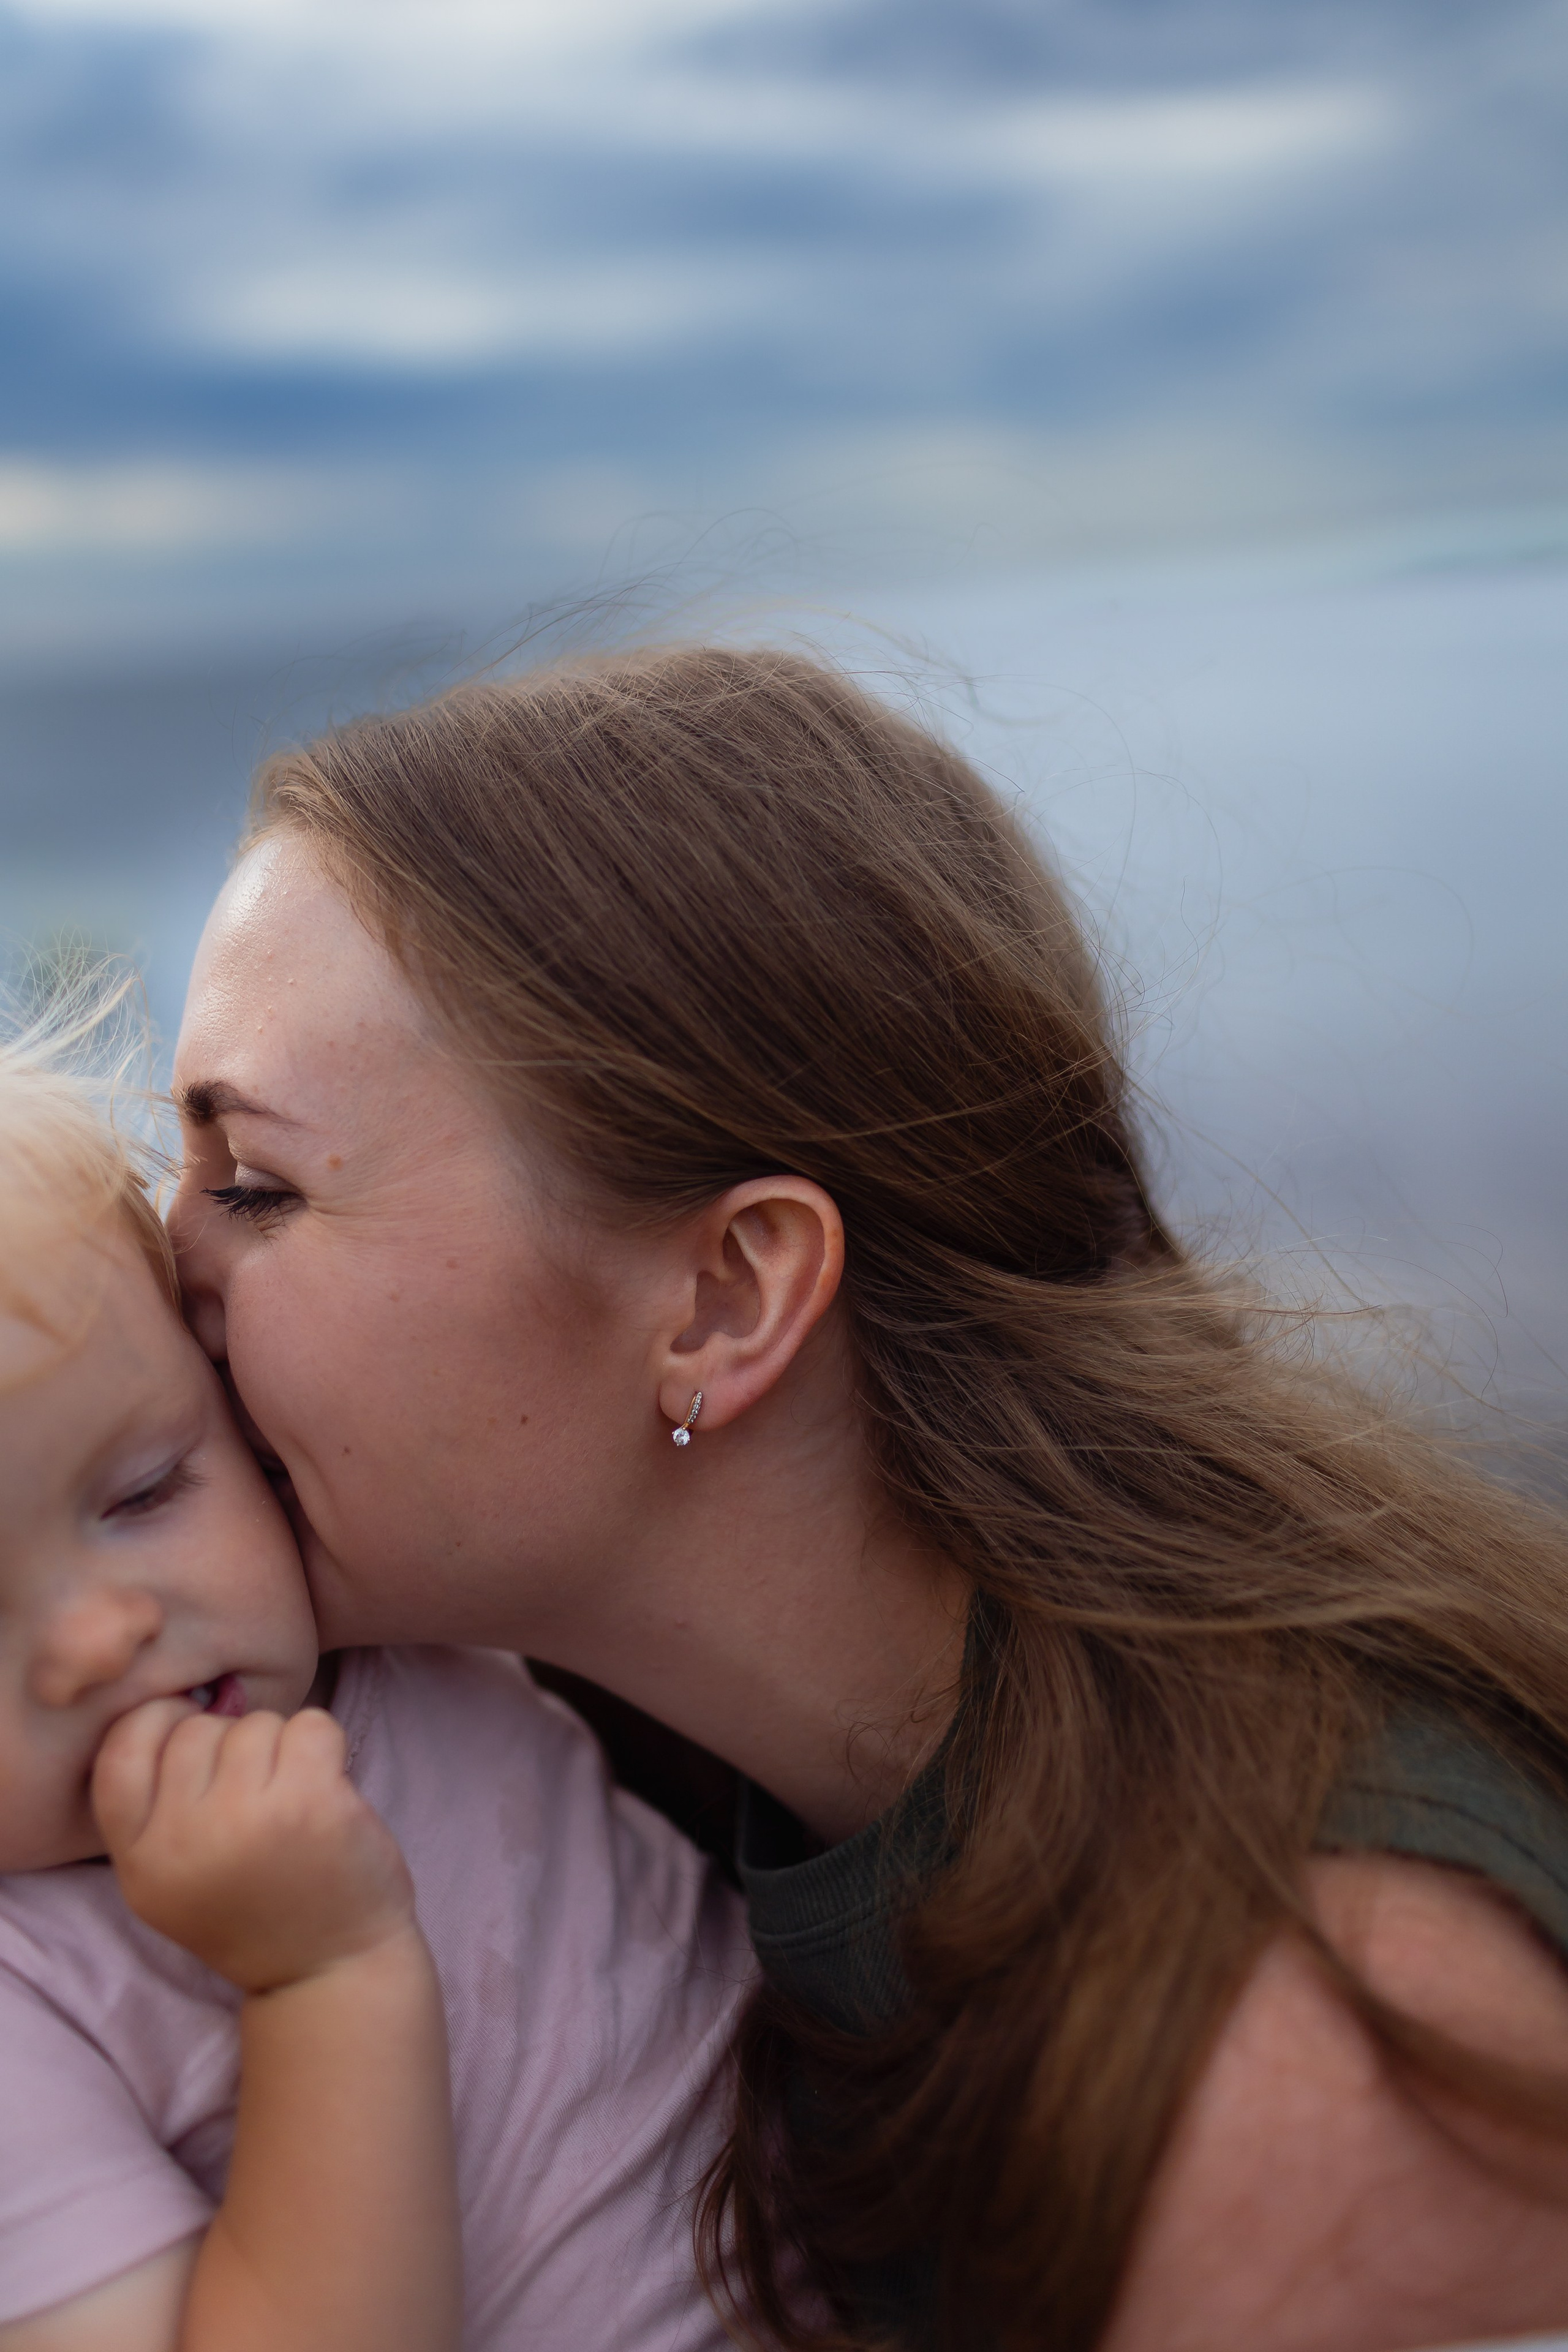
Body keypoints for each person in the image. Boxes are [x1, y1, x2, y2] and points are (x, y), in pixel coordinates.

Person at [169, 644, 1568, 2352]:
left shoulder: (1318, 2050)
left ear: (726, 1300)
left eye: (255, 1184)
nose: (164, 1264)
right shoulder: (590, 1787)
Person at [0, 1039, 754, 2352]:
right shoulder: (27, 1996)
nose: (99, 1638)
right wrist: (316, 1976)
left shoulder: (402, 1616)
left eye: (142, 1493)